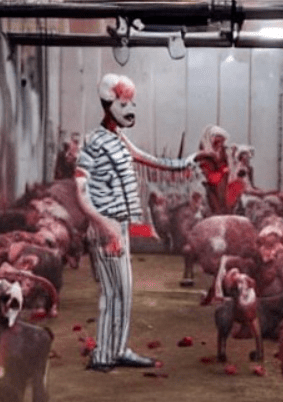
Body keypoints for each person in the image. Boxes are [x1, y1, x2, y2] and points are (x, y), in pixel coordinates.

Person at [74, 73, 197, 372]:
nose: (130, 110)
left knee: (124, 292)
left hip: (120, 226)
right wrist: (102, 224)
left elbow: (148, 159)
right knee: (111, 293)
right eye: (123, 104)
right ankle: (103, 355)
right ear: (108, 105)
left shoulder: (119, 139)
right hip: (106, 228)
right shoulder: (94, 142)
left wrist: (187, 162)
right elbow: (80, 189)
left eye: (132, 104)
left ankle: (118, 349)